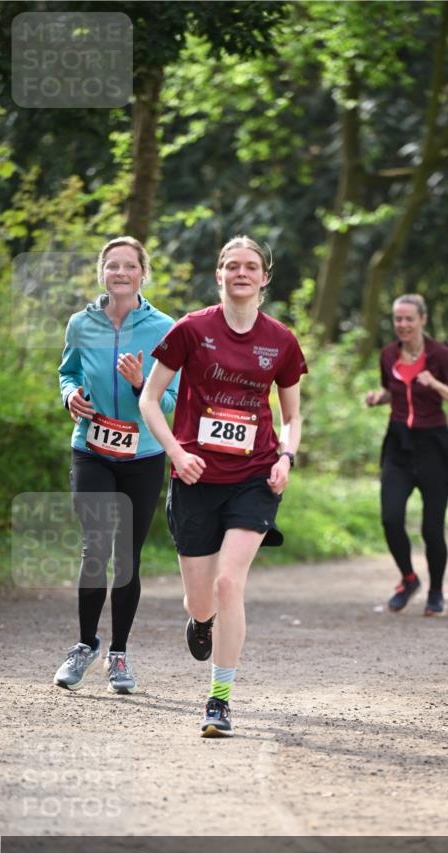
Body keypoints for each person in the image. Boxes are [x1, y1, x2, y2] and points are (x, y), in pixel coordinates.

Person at [139, 235, 307, 738]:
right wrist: (176, 453)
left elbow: (292, 417)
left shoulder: (281, 340)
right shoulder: (191, 329)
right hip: (195, 476)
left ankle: (219, 700)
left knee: (229, 583)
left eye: (250, 266)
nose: (241, 273)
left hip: (255, 476)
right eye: (232, 265)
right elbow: (150, 399)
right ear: (219, 274)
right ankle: (201, 620)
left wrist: (286, 457)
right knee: (201, 600)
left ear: (264, 277)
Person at [54, 237, 178, 694]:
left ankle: (119, 654)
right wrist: (71, 394)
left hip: (143, 454)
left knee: (127, 556)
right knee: (95, 548)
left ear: (143, 273)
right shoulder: (80, 324)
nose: (120, 273)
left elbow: (172, 398)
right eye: (112, 265)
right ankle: (85, 644)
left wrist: (142, 383)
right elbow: (67, 372)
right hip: (91, 449)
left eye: (129, 266)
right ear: (101, 272)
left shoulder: (165, 328)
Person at [366, 294, 448, 616]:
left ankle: (436, 591)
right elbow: (392, 391)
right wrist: (378, 398)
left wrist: (436, 384)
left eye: (409, 319)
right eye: (398, 319)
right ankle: (409, 579)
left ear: (422, 320)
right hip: (398, 445)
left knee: (431, 529)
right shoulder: (388, 354)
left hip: (433, 448)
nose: (403, 325)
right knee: (390, 518)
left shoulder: (441, 355)